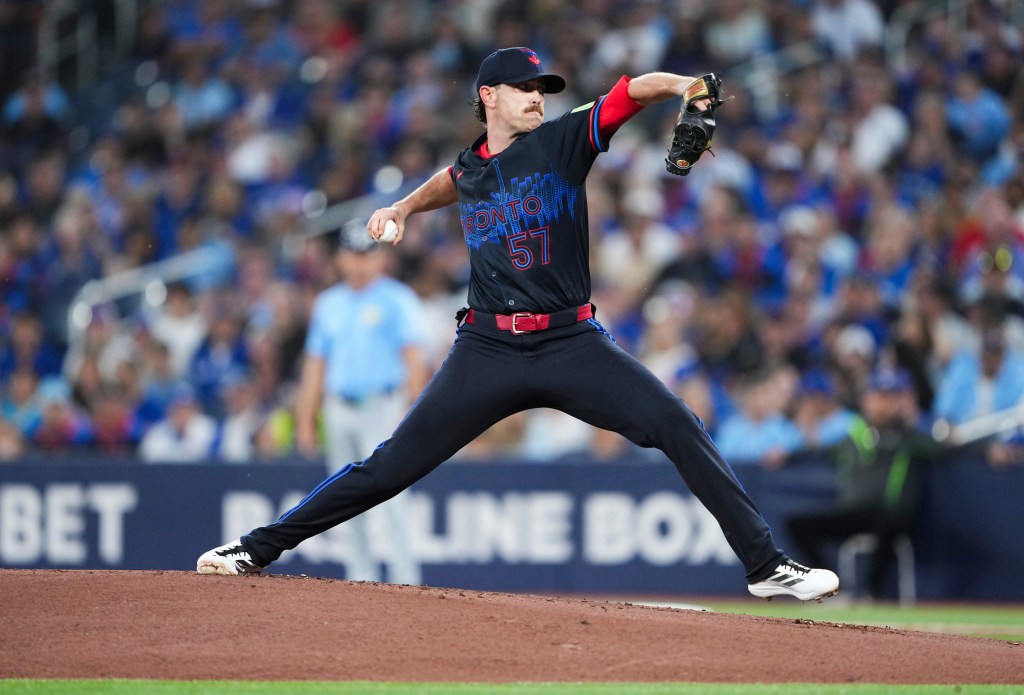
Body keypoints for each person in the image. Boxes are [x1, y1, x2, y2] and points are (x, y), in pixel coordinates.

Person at [198, 47, 839, 601]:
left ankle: (765, 565)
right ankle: (255, 548)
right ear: (489, 96)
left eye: (541, 89)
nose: (537, 97)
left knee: (677, 422)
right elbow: (454, 179)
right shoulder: (472, 165)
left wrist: (684, 86)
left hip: (570, 340)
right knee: (388, 467)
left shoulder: (562, 140)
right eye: (524, 88)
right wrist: (404, 207)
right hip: (488, 347)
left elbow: (632, 93)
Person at [292, 221, 428, 585]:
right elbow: (315, 365)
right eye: (353, 254)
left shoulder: (397, 298)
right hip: (339, 408)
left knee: (394, 494)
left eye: (367, 254)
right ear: (340, 258)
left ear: (380, 257)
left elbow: (414, 360)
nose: (360, 262)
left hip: (384, 407)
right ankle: (359, 576)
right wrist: (305, 420)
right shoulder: (328, 303)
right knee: (344, 495)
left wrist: (414, 414)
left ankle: (405, 577)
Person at [783, 368, 938, 601]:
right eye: (878, 397)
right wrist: (786, 455)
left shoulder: (909, 436)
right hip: (853, 513)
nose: (882, 404)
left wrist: (911, 419)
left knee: (890, 522)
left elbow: (940, 450)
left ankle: (872, 591)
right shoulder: (855, 436)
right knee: (797, 524)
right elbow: (819, 451)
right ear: (866, 400)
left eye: (889, 398)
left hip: (891, 514)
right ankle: (832, 587)